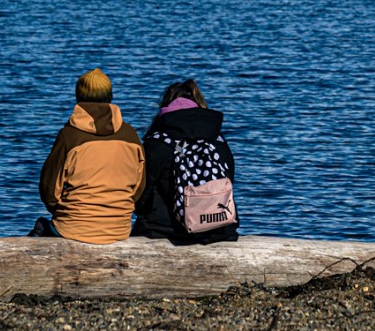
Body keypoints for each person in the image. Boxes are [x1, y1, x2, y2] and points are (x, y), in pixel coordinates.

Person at [31, 67, 145, 243]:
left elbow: (49, 190)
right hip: (119, 229)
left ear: (78, 97)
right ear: (110, 97)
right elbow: (138, 189)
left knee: (41, 227)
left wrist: (65, 210)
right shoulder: (130, 135)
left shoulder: (69, 136)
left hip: (73, 228)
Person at [132, 79, 239, 243]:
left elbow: (142, 199)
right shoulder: (218, 141)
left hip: (165, 232)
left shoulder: (157, 143)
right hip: (219, 230)